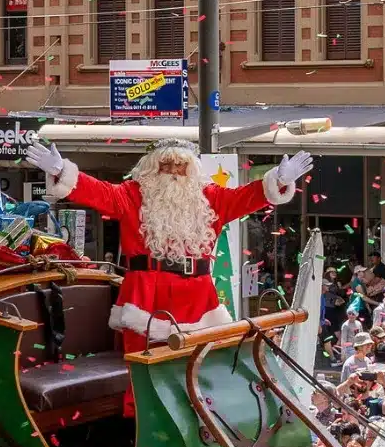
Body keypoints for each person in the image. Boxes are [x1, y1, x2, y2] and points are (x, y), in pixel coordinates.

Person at [24, 137, 311, 366]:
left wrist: (278, 180)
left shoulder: (211, 198)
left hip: (199, 297)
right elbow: (99, 192)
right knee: (145, 367)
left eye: (180, 166)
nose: (174, 172)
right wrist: (62, 171)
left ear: (192, 169)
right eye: (166, 165)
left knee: (202, 366)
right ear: (152, 168)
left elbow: (248, 197)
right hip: (147, 295)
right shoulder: (132, 194)